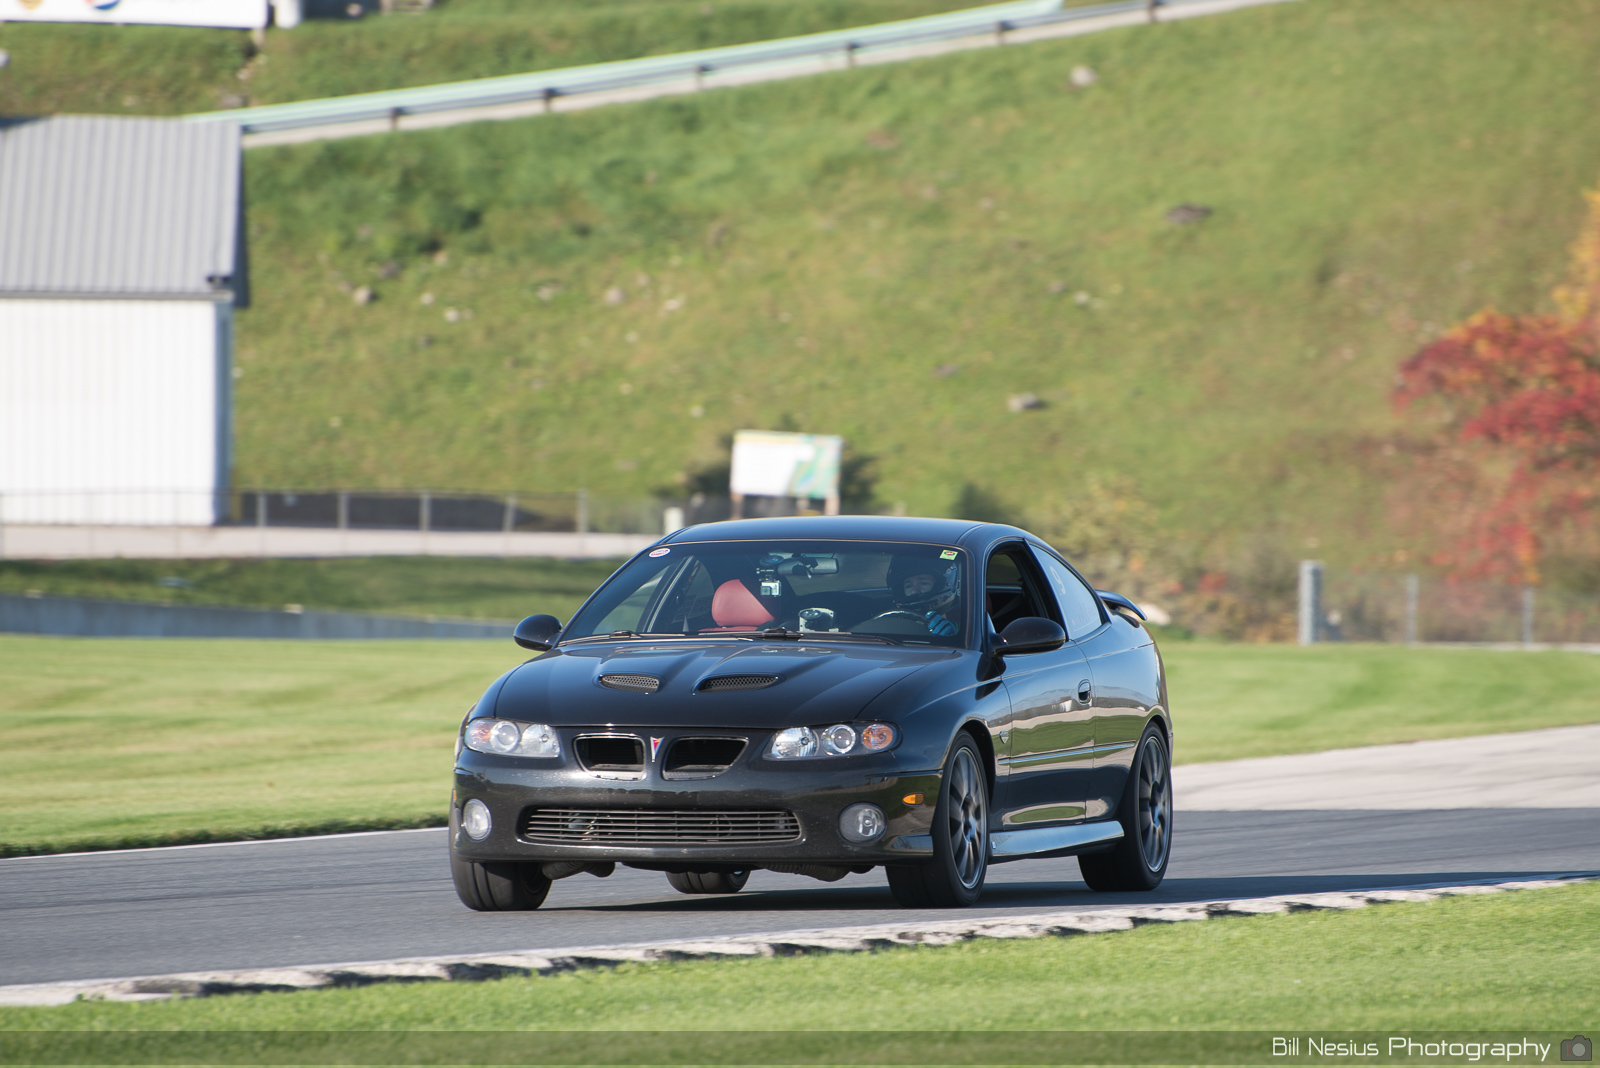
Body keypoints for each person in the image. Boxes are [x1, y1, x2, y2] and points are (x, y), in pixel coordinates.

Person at [884, 553, 962, 637]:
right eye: (908, 586)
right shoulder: (890, 624)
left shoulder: (964, 628)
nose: (914, 591)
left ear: (941, 586)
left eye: (923, 584)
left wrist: (951, 639)